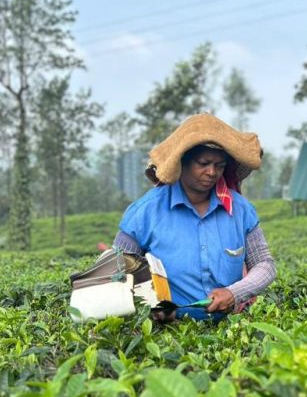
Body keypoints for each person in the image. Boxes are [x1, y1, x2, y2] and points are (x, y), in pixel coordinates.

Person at [113, 114, 276, 322]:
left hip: (231, 329)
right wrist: (149, 305)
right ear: (183, 163)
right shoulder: (144, 213)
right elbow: (117, 273)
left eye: (220, 165)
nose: (212, 172)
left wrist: (234, 293)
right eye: (204, 163)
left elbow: (264, 264)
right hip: (168, 333)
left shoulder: (241, 210)